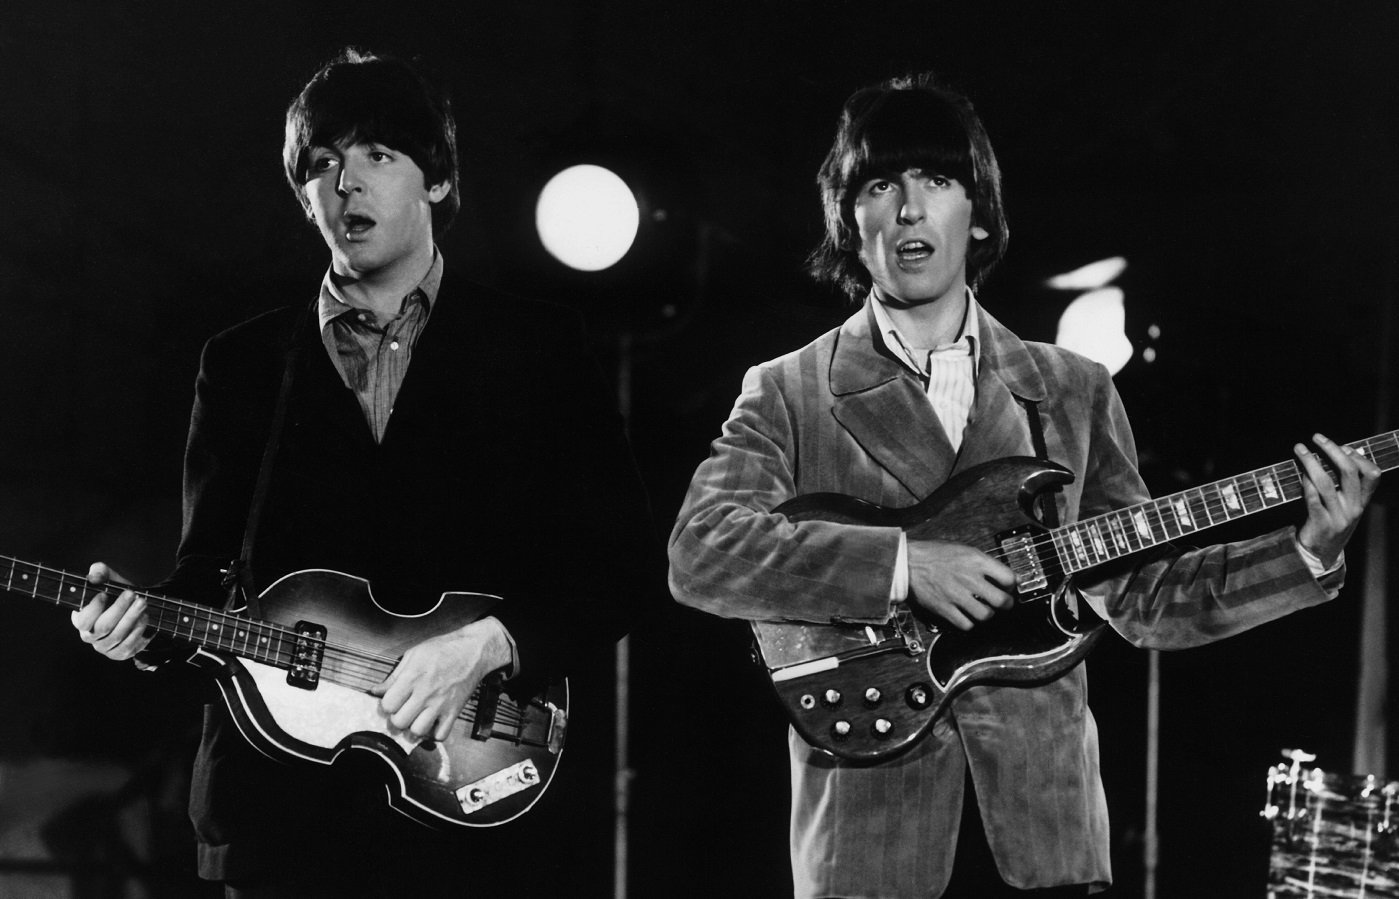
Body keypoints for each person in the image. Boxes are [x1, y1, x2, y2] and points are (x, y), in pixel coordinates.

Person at [667, 73, 1381, 898]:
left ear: (977, 213)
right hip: (870, 842)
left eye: (936, 180)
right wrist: (903, 564)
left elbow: (1146, 596)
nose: (908, 209)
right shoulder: (789, 390)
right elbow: (699, 552)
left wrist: (1306, 549)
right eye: (878, 184)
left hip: (1046, 839)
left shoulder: (1072, 389)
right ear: (847, 218)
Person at [69, 48, 658, 897]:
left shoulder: (535, 347)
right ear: (301, 192)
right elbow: (209, 581)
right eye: (322, 163)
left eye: (378, 155)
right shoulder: (241, 364)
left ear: (439, 182)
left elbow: (625, 568)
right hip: (283, 823)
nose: (347, 184)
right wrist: (144, 628)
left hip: (478, 818)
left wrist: (489, 644)